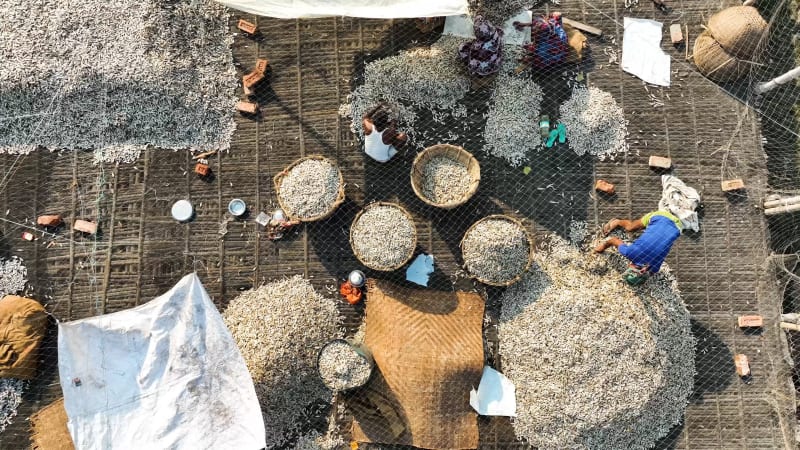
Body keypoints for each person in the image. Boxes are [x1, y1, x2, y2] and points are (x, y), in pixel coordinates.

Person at [593, 210, 683, 285]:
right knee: (630, 228)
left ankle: (618, 222)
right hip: (661, 217)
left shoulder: (654, 267)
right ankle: (617, 222)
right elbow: (613, 240)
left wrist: (647, 271)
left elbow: (653, 271)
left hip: (678, 226)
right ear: (630, 266)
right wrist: (601, 248)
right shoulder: (630, 253)